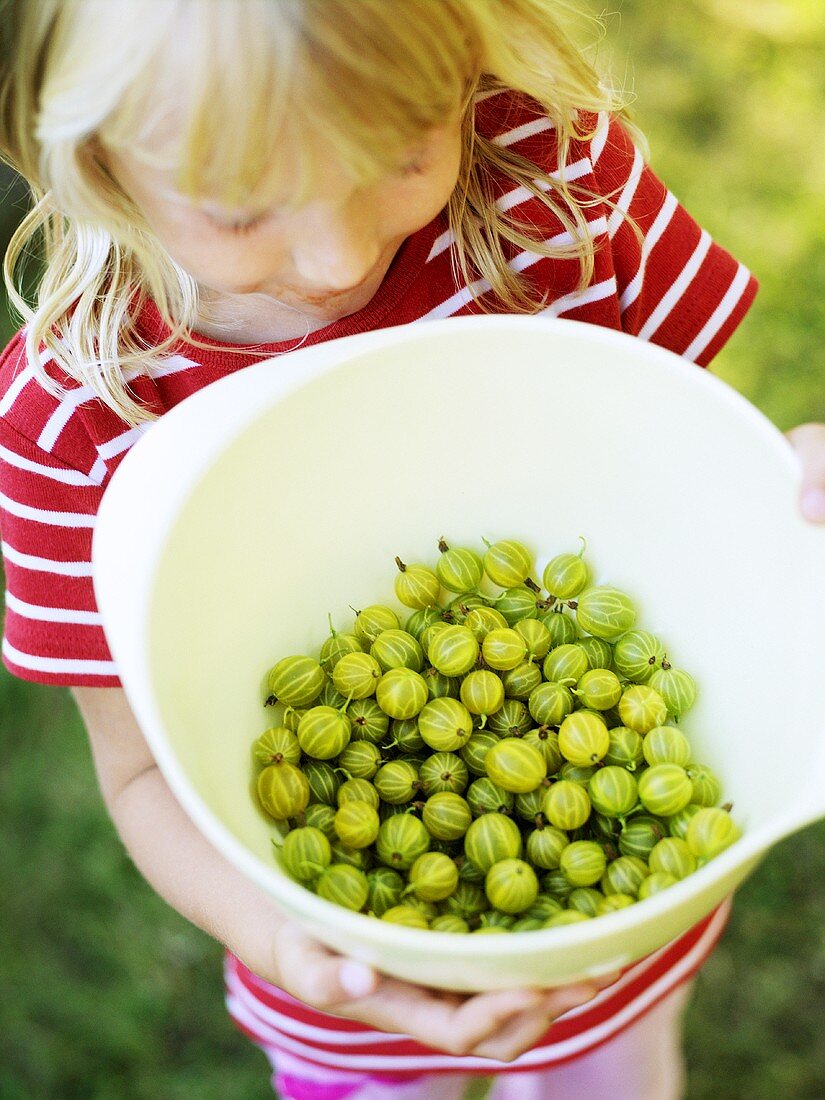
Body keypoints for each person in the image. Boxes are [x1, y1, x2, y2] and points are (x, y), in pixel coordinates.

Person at [1, 2, 824, 1098]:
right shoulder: (76, 424)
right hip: (352, 991)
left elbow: (686, 462)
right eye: (242, 208)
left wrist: (794, 490)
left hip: (632, 936)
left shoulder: (557, 189)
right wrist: (295, 948)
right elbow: (143, 769)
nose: (340, 257)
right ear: (77, 154)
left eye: (401, 154)